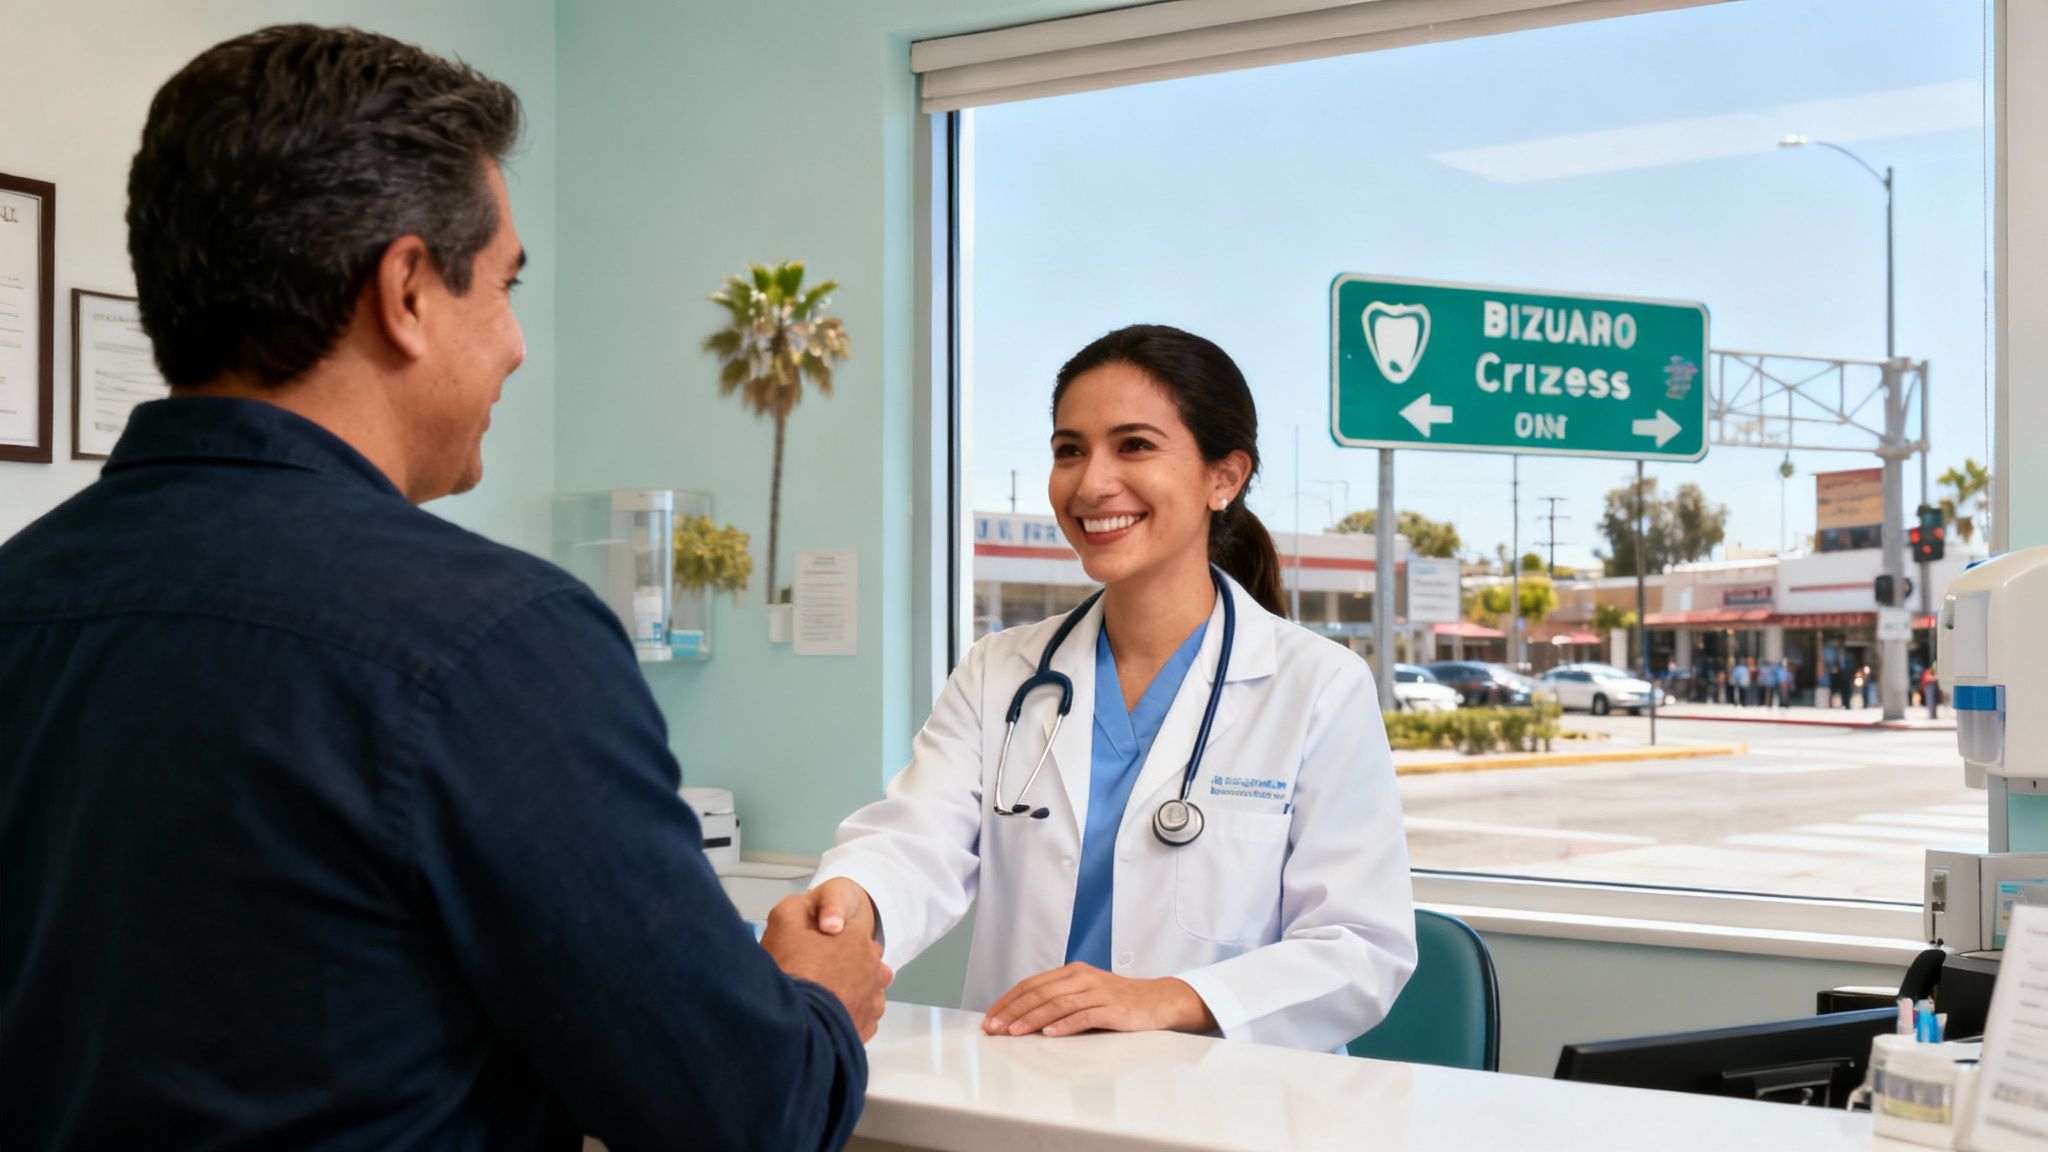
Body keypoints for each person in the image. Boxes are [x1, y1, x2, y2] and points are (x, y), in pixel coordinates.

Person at [0, 26, 884, 1151]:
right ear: (408, 290)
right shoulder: (490, 643)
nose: (516, 346)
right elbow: (742, 1112)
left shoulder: (20, 597)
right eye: (506, 287)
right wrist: (819, 1002)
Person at [798, 324, 1417, 1053]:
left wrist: (1170, 999)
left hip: (1231, 1105)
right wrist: (847, 907)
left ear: (1225, 477)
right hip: (1027, 1093)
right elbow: (914, 842)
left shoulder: (1317, 686)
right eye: (1070, 450)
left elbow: (1361, 946)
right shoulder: (1002, 673)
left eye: (1135, 446)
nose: (1091, 484)